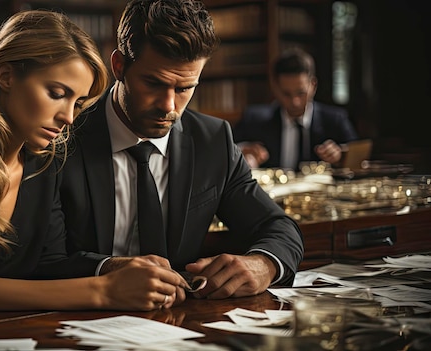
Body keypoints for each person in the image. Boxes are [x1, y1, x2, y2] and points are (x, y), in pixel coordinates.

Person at [0, 10, 188, 325]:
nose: (69, 117)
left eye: (78, 102)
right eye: (57, 94)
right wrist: (103, 291)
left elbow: (50, 265)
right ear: (6, 76)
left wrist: (112, 267)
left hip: (16, 336)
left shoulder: (43, 164)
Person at [60, 0, 304, 303]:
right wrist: (107, 268)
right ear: (119, 66)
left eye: (184, 88)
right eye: (153, 83)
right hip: (76, 316)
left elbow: (278, 227)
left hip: (180, 322)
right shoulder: (63, 135)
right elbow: (40, 258)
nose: (168, 106)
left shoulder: (212, 140)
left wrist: (263, 264)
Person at [233, 47, 359, 170]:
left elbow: (358, 157)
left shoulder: (335, 120)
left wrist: (340, 157)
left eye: (301, 93)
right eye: (286, 94)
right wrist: (243, 153)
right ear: (275, 88)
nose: (295, 102)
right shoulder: (254, 120)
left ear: (313, 85)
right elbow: (226, 152)